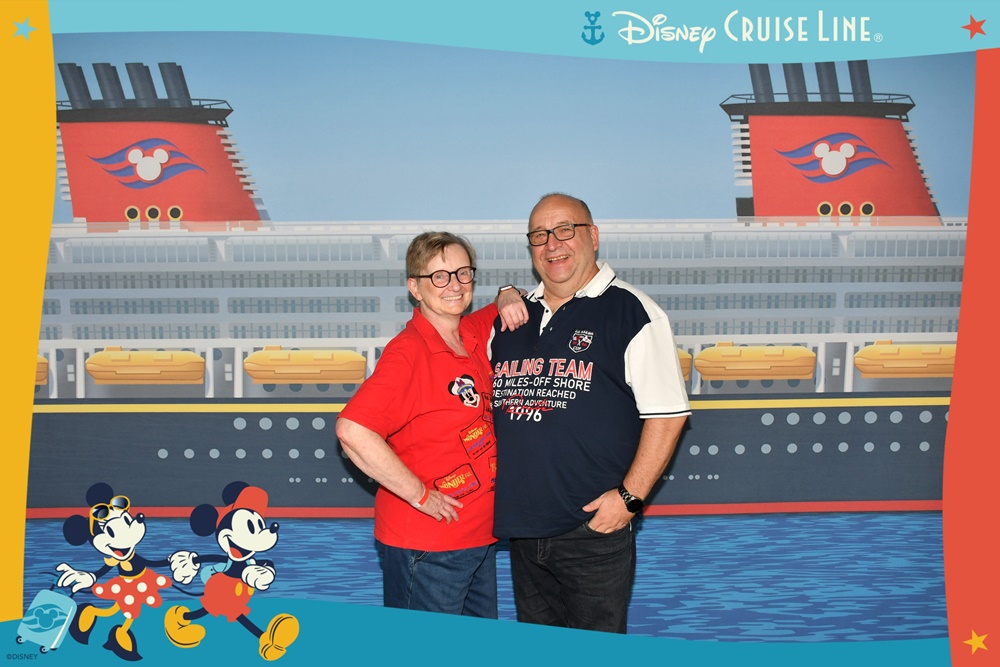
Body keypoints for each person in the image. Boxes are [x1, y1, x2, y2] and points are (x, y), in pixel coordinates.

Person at [488, 193, 691, 633]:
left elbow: (669, 416)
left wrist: (629, 499)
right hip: (524, 530)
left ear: (593, 236)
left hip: (592, 532)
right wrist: (505, 291)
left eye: (565, 230)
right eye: (540, 235)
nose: (552, 244)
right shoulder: (509, 320)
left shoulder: (634, 312)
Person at [335, 231, 526, 618]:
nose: (454, 285)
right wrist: (420, 495)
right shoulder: (408, 353)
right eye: (439, 276)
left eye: (463, 273)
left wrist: (508, 291)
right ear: (415, 288)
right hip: (428, 547)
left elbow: (511, 300)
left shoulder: (471, 331)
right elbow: (352, 431)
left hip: (479, 538)